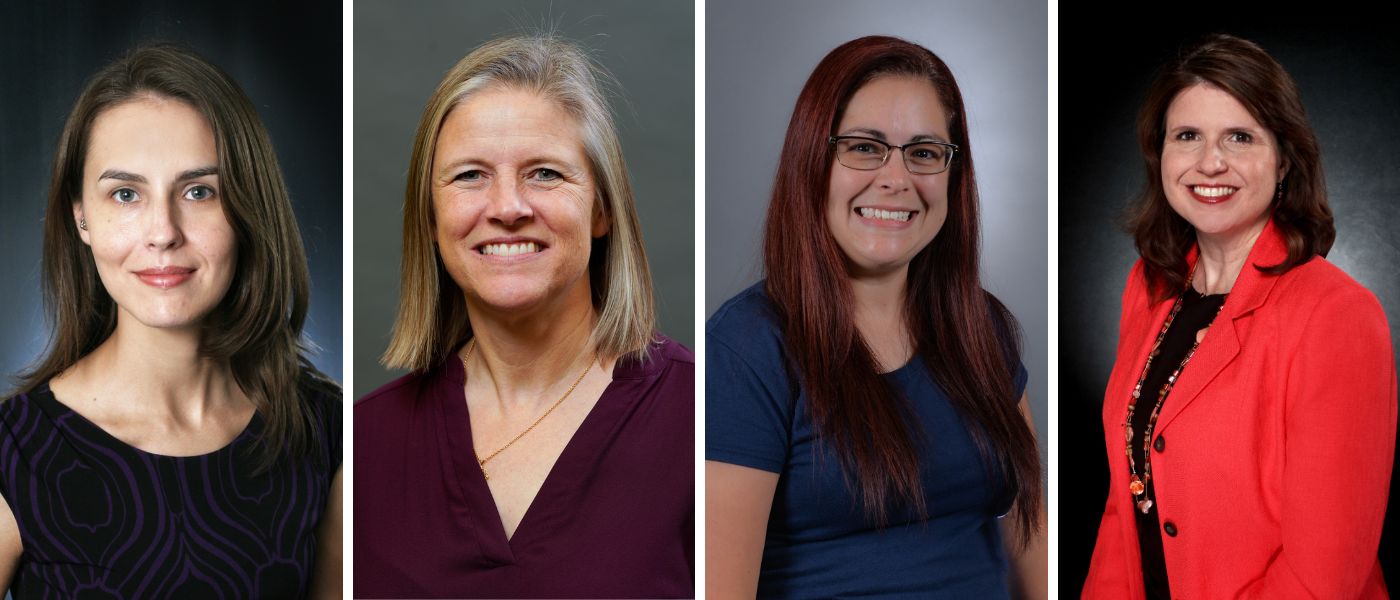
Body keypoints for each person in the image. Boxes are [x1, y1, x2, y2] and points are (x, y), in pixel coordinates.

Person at [706, 35, 1046, 599]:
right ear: (812, 160)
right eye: (864, 147)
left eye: (924, 153)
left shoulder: (979, 325)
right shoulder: (745, 350)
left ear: (953, 173)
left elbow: (1031, 537)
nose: (896, 178)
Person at [353, 35, 693, 598]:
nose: (508, 207)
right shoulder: (361, 444)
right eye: (470, 175)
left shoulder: (697, 415)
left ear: (602, 209)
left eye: (545, 173)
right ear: (431, 218)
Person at [0, 45, 342, 598]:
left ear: (248, 209)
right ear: (81, 217)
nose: (163, 232)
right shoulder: (13, 451)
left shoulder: (327, 432)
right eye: (125, 194)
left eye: (199, 191)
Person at [1082, 34, 1397, 599]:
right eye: (1188, 136)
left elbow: (1322, 578)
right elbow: (1123, 509)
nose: (1210, 162)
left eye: (1240, 137)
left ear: (1284, 161)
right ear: (1161, 156)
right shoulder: (1149, 288)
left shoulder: (1338, 315)